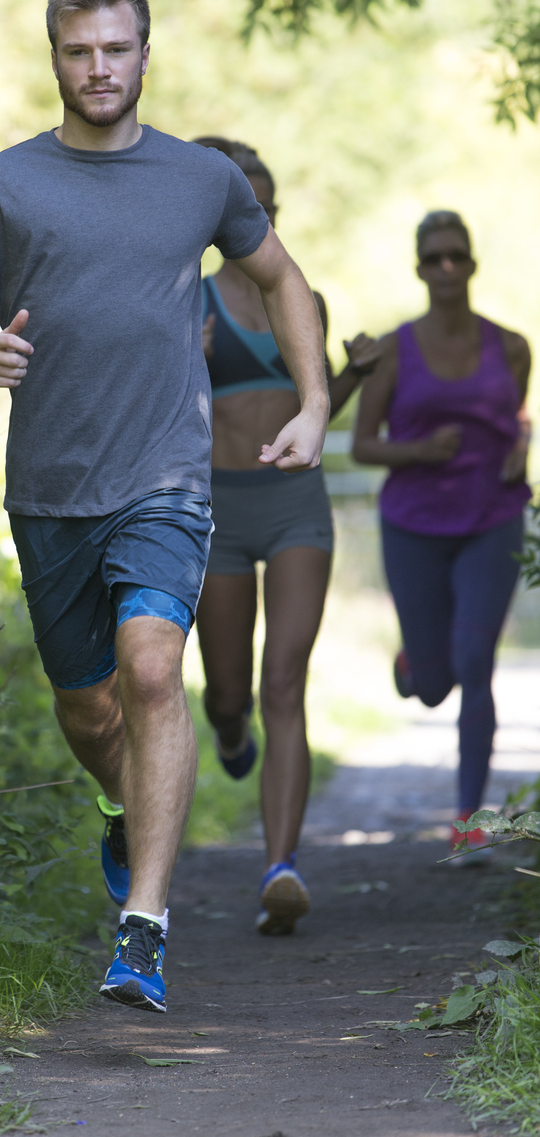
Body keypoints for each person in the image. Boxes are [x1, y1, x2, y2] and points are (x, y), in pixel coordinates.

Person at [0, 0, 329, 1014]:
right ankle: (120, 803)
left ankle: (142, 927)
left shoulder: (199, 179)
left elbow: (281, 280)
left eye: (115, 49)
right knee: (85, 702)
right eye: (77, 50)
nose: (97, 68)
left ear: (145, 54)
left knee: (152, 672)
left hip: (164, 475)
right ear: (53, 56)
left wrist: (315, 404)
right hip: (51, 486)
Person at [193, 138, 380, 933]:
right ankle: (227, 728)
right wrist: (184, 365)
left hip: (295, 505)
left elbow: (314, 411)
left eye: (266, 202)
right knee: (232, 693)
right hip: (219, 510)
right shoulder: (186, 299)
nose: (256, 214)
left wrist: (353, 378)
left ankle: (281, 868)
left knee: (286, 684)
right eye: (244, 201)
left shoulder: (302, 295)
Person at [353, 211, 531, 856]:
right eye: (435, 258)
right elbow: (366, 446)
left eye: (457, 255)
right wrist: (424, 451)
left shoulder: (511, 346)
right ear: (420, 269)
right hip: (414, 523)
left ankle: (468, 820)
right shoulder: (397, 350)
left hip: (492, 517)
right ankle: (413, 663)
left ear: (474, 263)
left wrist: (521, 450)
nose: (447, 267)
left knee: (475, 663)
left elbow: (515, 422)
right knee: (433, 686)